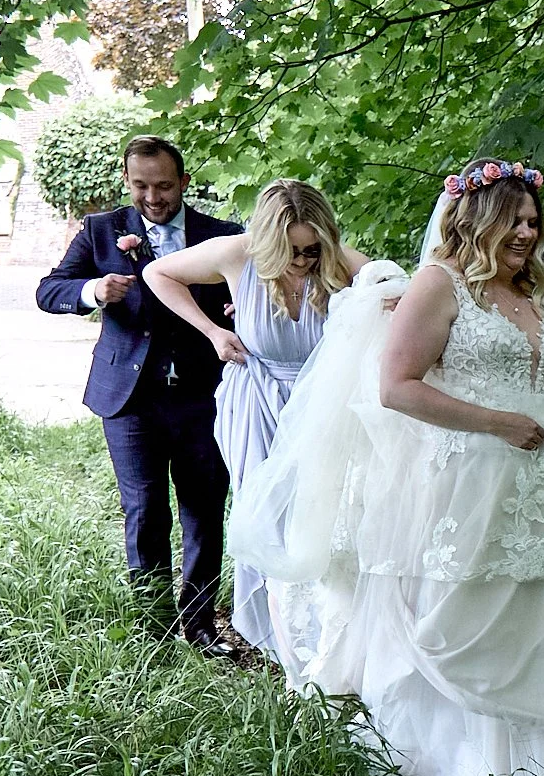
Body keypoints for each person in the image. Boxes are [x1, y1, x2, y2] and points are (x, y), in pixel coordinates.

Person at [232, 158, 544, 776]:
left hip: (536, 491)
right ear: (478, 220)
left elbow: (530, 390)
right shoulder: (437, 284)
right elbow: (399, 387)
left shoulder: (527, 292)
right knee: (470, 623)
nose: (529, 233)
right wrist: (500, 425)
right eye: (516, 220)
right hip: (463, 485)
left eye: (535, 221)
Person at [141, 180, 374, 652]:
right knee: (265, 513)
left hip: (322, 404)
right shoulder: (236, 255)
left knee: (323, 512)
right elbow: (158, 274)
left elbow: (403, 296)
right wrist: (212, 332)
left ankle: (327, 634)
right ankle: (275, 637)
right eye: (293, 251)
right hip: (256, 401)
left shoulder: (342, 263)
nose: (305, 261)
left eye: (313, 250)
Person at [38, 135, 243, 656]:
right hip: (129, 398)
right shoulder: (101, 230)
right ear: (128, 182)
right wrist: (91, 292)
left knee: (203, 507)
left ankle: (200, 626)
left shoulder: (222, 235)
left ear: (184, 182)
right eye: (141, 186)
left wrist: (238, 314)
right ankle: (152, 630)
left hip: (204, 396)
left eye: (164, 186)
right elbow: (49, 290)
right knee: (145, 508)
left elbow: (252, 298)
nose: (153, 197)